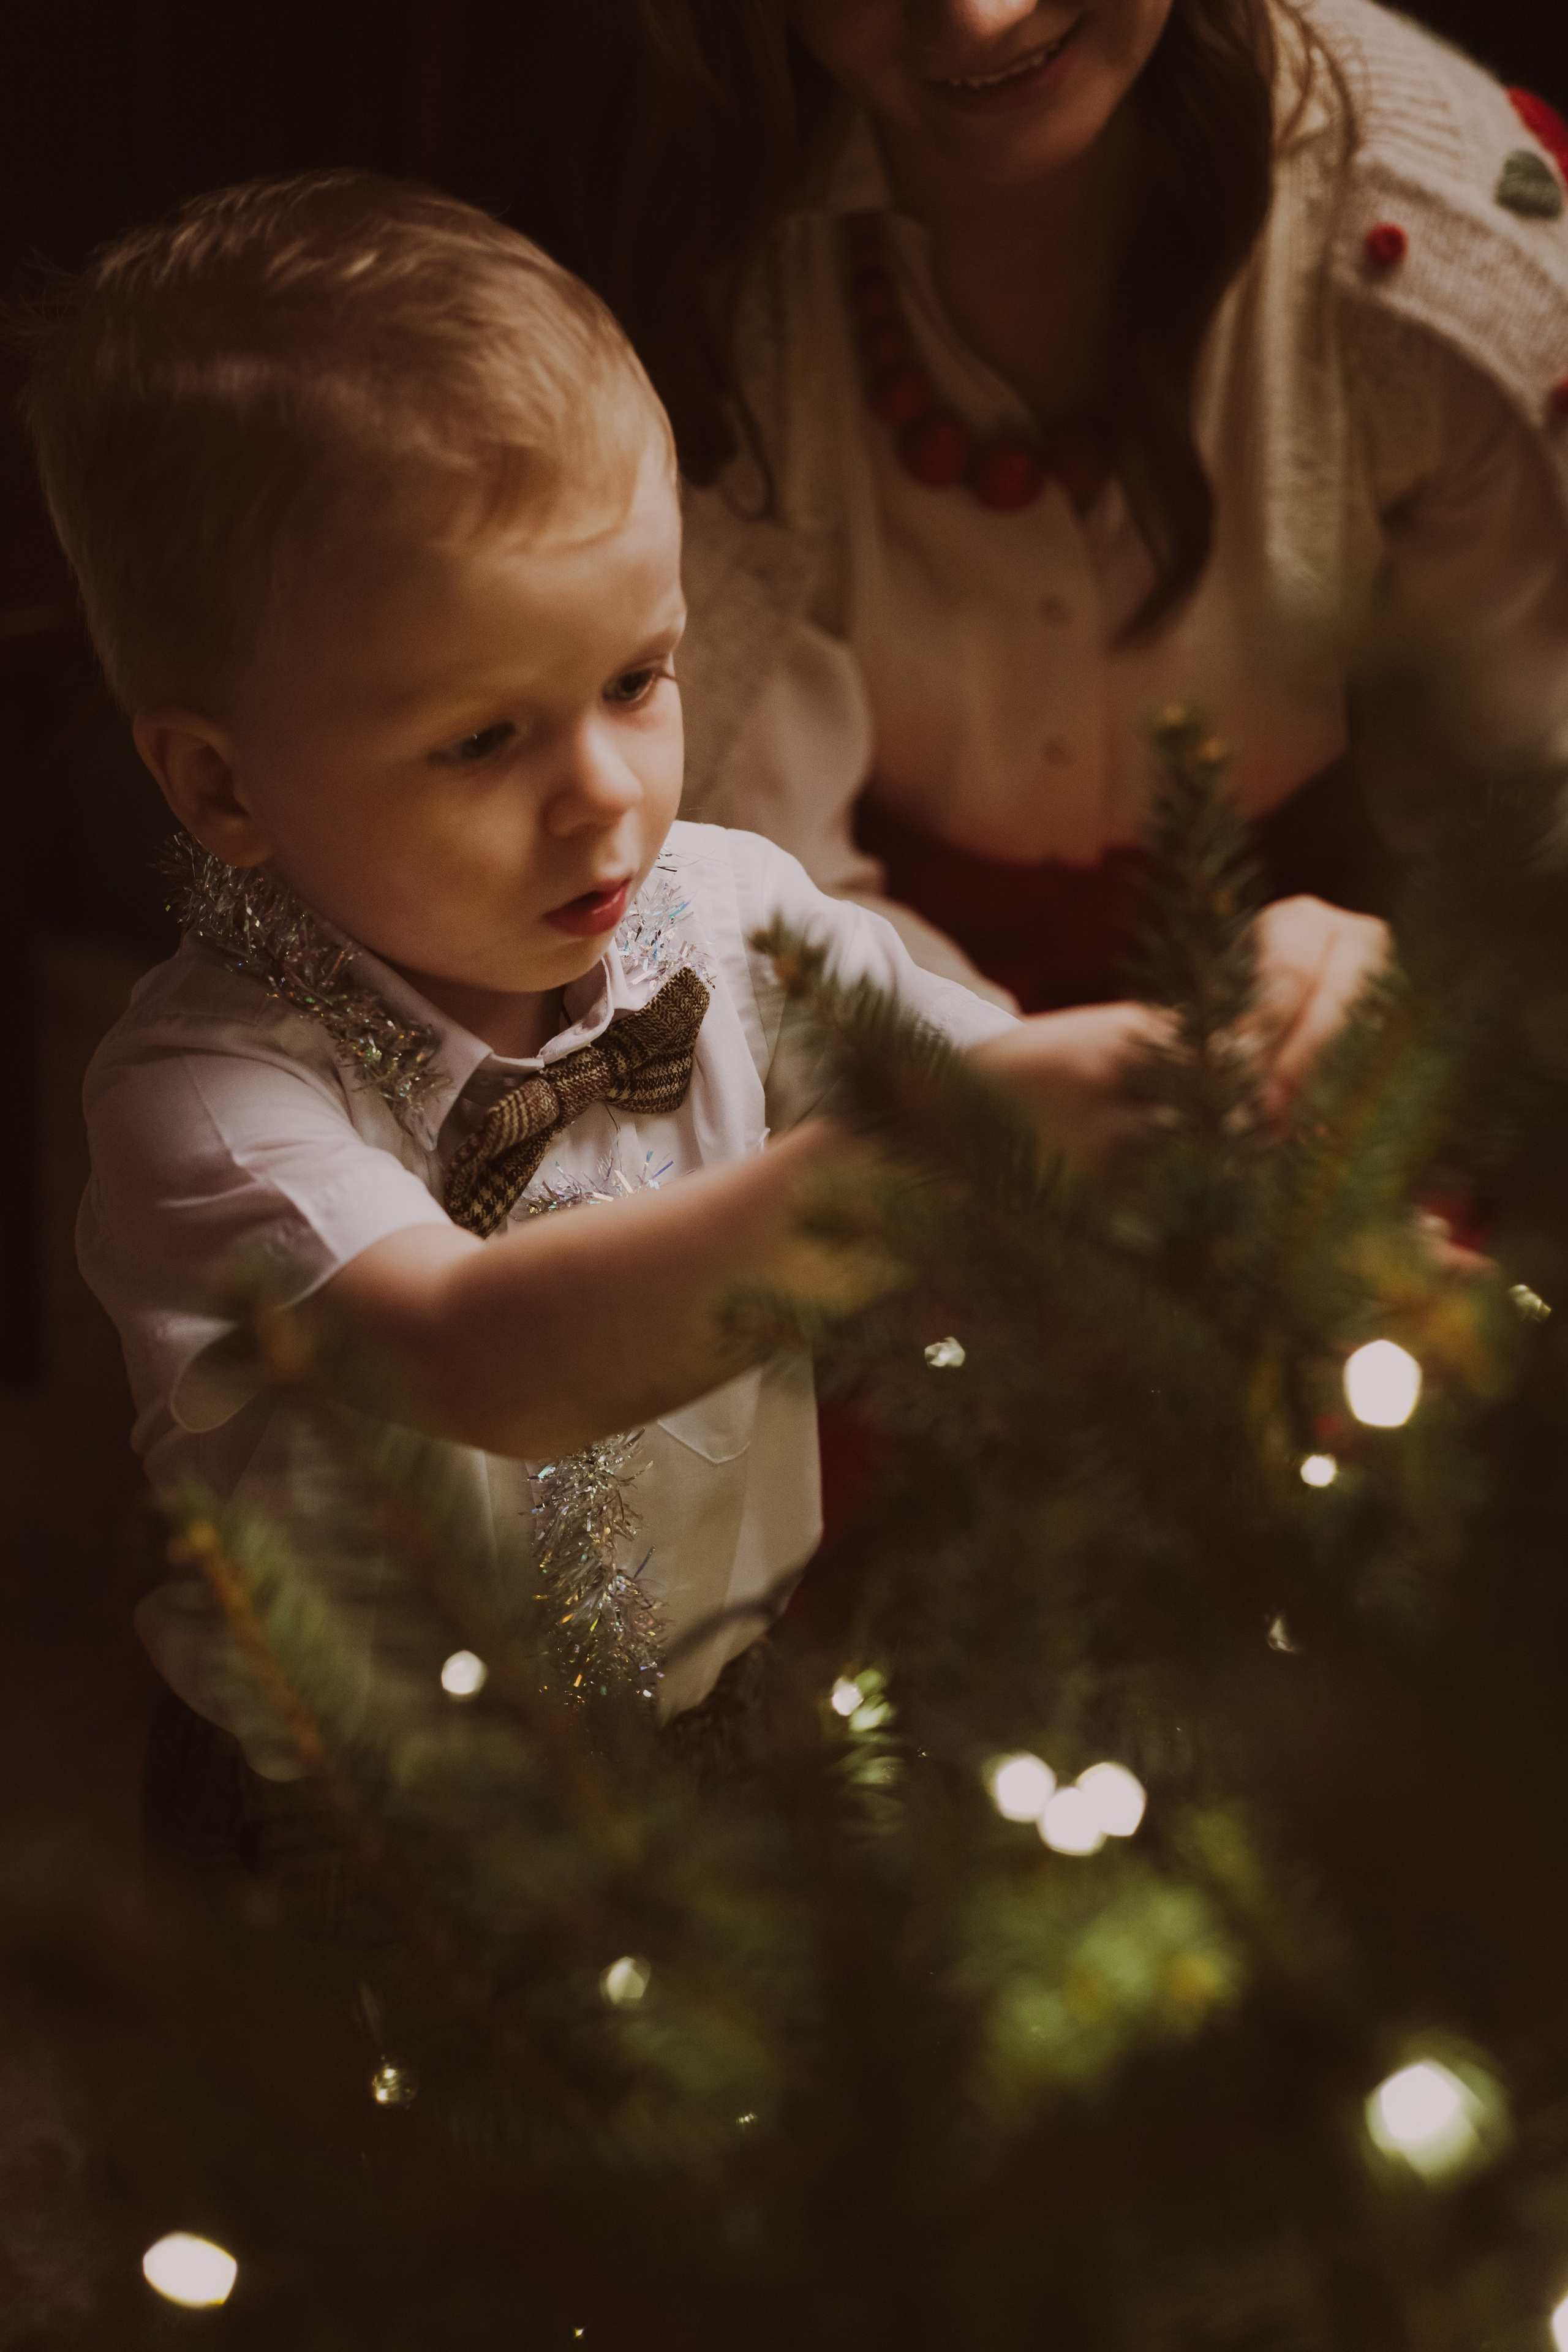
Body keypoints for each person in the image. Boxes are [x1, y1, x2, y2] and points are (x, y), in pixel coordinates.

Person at [24, 168, 1282, 1807]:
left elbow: (1013, 1118)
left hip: (727, 1721)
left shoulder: (731, 918)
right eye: (484, 738)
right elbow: (486, 1356)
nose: (606, 791)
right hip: (371, 1828)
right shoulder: (209, 1100)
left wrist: (1229, 1060)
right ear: (223, 787)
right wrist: (902, 1168)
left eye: (638, 679)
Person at [548, 0, 1568, 1013]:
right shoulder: (694, 254)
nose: (982, 22)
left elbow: (1523, 858)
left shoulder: (1445, 258)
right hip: (860, 1071)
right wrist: (1006, 1094)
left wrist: (1383, 1007)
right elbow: (755, 907)